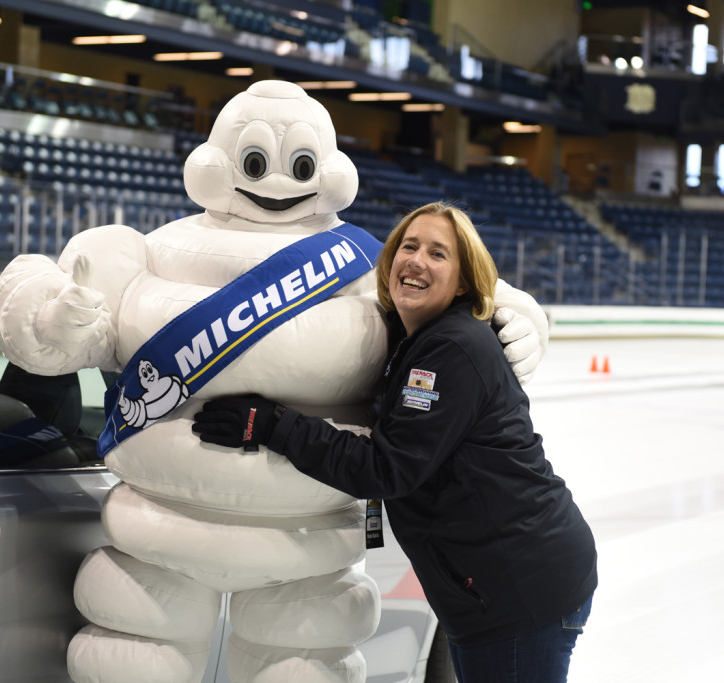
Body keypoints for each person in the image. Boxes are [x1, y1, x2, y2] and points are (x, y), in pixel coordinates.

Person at [191, 201, 598, 683]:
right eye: (408, 246)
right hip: (498, 585)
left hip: (519, 588)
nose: (417, 260)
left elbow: (387, 468)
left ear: (464, 281)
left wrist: (272, 424)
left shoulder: (450, 348)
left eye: (438, 253)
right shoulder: (420, 339)